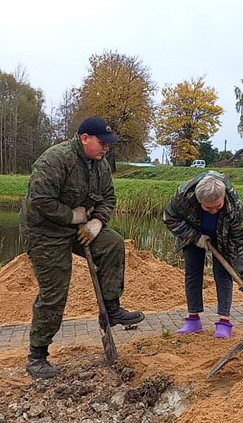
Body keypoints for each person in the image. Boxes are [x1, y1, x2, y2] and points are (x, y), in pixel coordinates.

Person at [19, 116, 145, 379]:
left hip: (81, 226)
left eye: (108, 145)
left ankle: (110, 309)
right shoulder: (56, 159)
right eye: (102, 143)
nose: (106, 148)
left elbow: (109, 196)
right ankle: (37, 356)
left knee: (112, 243)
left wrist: (97, 221)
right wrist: (71, 216)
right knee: (54, 292)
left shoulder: (100, 164)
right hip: (46, 232)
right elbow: (40, 199)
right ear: (84, 138)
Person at [163, 171, 243, 338]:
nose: (213, 211)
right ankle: (193, 320)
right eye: (207, 207)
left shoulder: (234, 205)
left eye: (217, 207)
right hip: (193, 232)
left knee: (223, 275)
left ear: (223, 198)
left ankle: (224, 322)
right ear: (199, 201)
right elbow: (170, 218)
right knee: (193, 273)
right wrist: (195, 238)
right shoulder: (184, 196)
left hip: (223, 236)